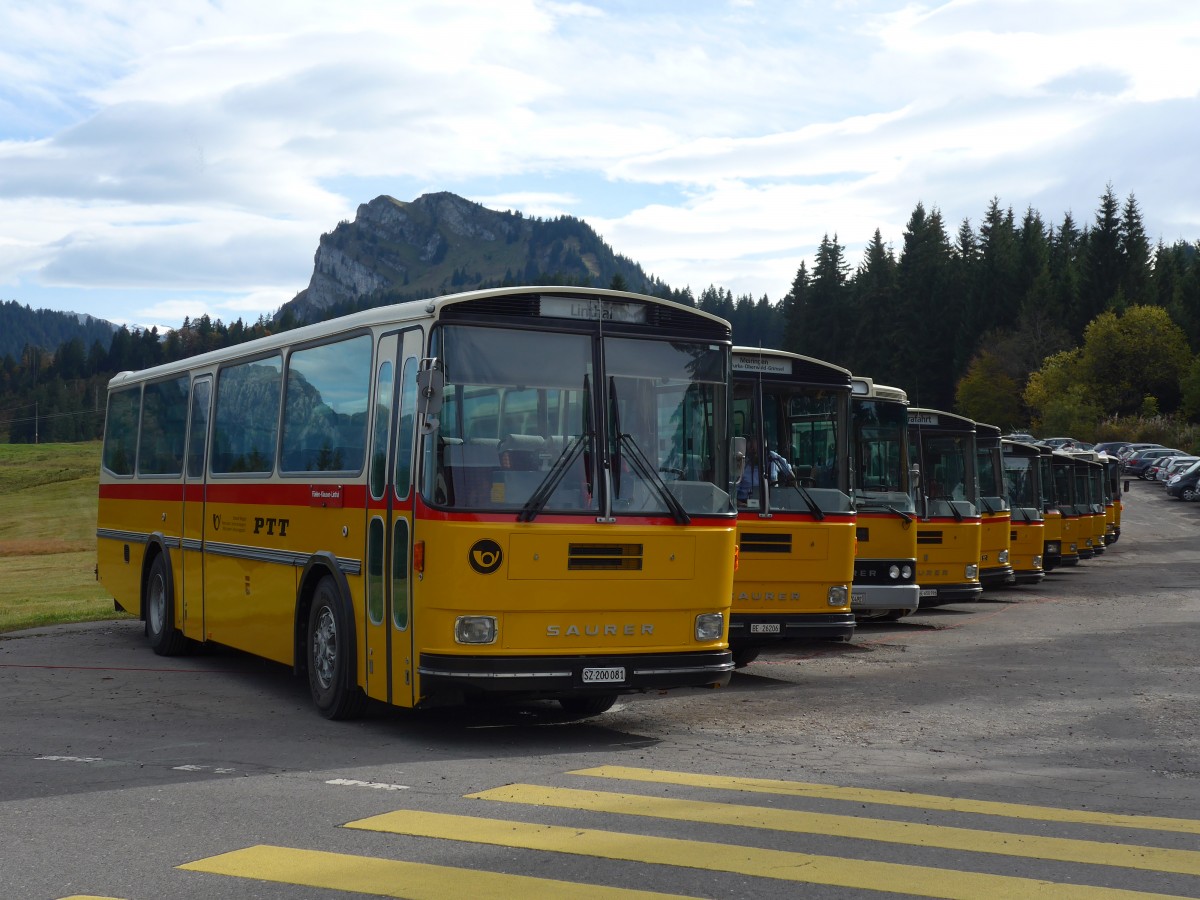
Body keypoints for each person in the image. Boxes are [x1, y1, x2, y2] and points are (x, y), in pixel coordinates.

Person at [737, 435, 793, 504]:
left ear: (764, 448)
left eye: (757, 451)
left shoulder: (773, 458)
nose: (754, 455)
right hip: (746, 505)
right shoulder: (741, 463)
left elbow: (791, 478)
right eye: (751, 451)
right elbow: (732, 496)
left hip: (773, 504)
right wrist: (742, 505)